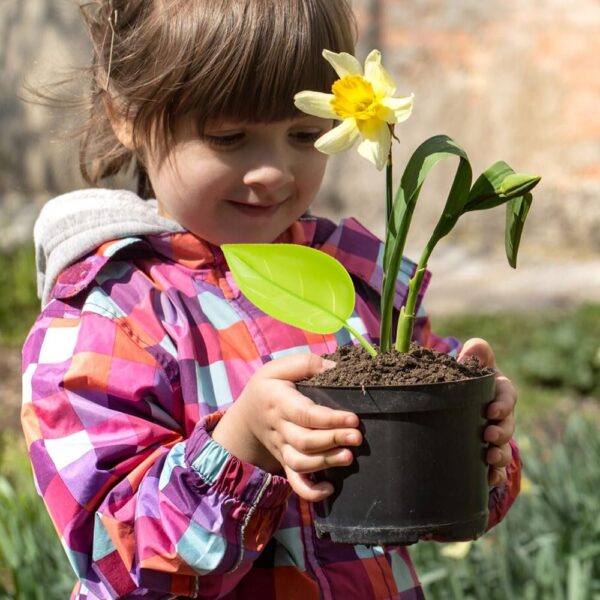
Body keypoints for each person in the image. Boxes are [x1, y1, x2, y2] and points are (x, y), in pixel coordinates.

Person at [22, 1, 521, 598]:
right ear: (127, 115)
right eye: (230, 137)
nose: (274, 171)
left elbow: (434, 506)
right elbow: (114, 558)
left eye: (305, 135)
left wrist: (478, 440)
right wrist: (243, 446)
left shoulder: (357, 281)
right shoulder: (111, 316)